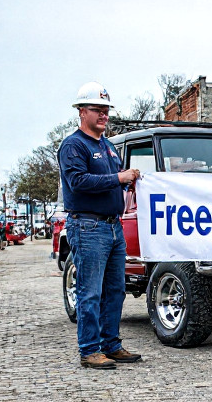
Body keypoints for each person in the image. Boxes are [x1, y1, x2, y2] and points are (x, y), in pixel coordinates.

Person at [58, 81, 142, 369]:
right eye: (97, 109)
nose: (104, 115)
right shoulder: (73, 145)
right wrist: (119, 179)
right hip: (88, 226)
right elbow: (78, 182)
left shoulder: (107, 145)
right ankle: (90, 349)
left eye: (106, 110)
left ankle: (111, 344)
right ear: (82, 112)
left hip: (112, 226)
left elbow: (110, 180)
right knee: (90, 291)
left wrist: (127, 181)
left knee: (116, 290)